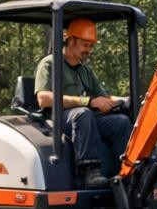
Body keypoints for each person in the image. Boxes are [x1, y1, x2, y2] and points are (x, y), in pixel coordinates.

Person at [34, 17, 131, 190]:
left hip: (85, 120)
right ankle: (90, 172)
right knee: (83, 113)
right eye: (85, 45)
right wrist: (87, 101)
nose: (89, 50)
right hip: (57, 119)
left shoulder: (85, 70)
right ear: (71, 41)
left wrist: (125, 100)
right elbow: (43, 98)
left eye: (91, 46)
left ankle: (126, 173)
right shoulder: (49, 63)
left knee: (121, 123)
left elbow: (104, 98)